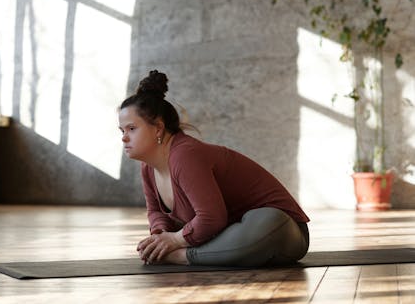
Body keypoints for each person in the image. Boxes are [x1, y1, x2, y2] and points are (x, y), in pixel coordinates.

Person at [118, 70, 310, 267]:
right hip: (229, 235)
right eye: (122, 130)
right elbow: (155, 212)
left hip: (281, 229)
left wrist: (175, 242)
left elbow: (211, 218)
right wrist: (160, 239)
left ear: (158, 128)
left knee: (267, 220)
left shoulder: (185, 155)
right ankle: (215, 253)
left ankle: (184, 257)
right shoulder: (148, 168)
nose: (124, 137)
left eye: (132, 129)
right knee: (229, 239)